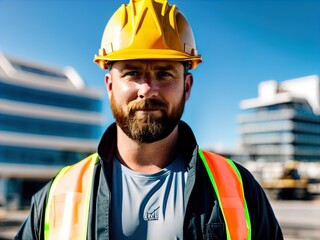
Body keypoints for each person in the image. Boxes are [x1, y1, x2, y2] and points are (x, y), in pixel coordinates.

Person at [15, 0, 283, 239]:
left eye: (165, 73)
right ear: (110, 86)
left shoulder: (239, 187)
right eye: (132, 72)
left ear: (187, 87)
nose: (147, 89)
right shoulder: (57, 195)